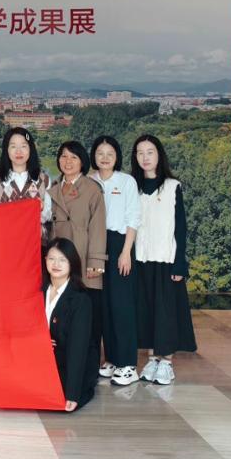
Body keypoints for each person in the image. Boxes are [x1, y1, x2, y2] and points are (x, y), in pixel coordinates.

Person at [131, 134, 197, 384]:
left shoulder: (172, 186)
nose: (145, 157)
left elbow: (180, 227)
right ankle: (152, 359)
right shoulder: (133, 187)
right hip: (140, 259)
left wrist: (180, 262)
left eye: (150, 152)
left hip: (166, 259)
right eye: (140, 153)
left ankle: (166, 362)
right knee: (146, 310)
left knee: (166, 312)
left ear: (159, 155)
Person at [91, 134, 141, 386]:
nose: (105, 158)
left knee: (121, 305)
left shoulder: (127, 181)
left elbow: (133, 217)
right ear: (94, 156)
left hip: (120, 243)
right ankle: (111, 359)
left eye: (110, 154)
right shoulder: (89, 180)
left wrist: (126, 251)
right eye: (100, 153)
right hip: (96, 243)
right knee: (105, 305)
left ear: (117, 157)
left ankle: (128, 364)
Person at [51, 140, 106, 355]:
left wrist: (96, 261)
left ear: (82, 161)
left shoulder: (92, 189)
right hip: (59, 260)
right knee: (62, 317)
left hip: (84, 257)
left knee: (88, 320)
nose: (68, 161)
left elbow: (98, 226)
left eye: (73, 157)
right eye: (64, 156)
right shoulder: (53, 188)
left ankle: (89, 367)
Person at [44, 237, 97, 412]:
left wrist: (72, 393)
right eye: (51, 258)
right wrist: (40, 342)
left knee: (58, 399)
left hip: (68, 361)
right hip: (41, 358)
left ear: (72, 263)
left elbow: (78, 348)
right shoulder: (37, 291)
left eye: (62, 260)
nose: (56, 264)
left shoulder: (80, 300)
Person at [0, 127, 52, 241]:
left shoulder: (44, 180)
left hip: (35, 245)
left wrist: (40, 209)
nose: (18, 151)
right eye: (13, 146)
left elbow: (48, 216)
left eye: (23, 146)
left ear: (30, 149)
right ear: (6, 150)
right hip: (5, 243)